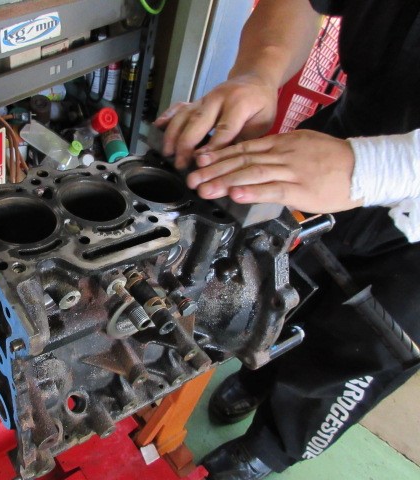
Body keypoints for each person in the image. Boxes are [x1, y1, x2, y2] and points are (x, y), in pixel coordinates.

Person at [154, 0, 420, 478]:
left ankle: (271, 448)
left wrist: (382, 167)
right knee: (275, 291)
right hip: (333, 148)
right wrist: (259, 70)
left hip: (407, 225)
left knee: (349, 358)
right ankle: (255, 377)